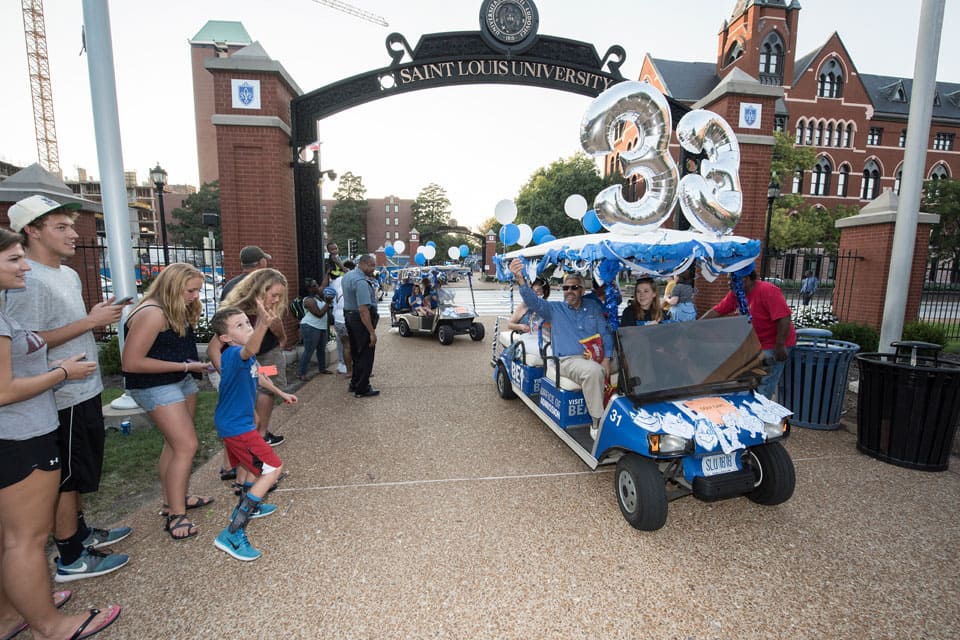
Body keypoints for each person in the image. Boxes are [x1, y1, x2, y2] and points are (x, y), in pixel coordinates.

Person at [0, 226, 122, 640]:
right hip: (21, 434)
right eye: (14, 259)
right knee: (25, 541)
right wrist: (62, 372)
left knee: (12, 538)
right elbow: (4, 390)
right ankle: (50, 626)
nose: (23, 267)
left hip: (20, 432)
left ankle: (12, 613)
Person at [121, 263, 214, 540]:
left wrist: (190, 368)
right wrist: (186, 367)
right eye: (191, 290)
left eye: (198, 289)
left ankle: (172, 499)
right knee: (187, 445)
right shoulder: (152, 313)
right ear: (172, 286)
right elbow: (131, 362)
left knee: (175, 446)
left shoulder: (172, 308)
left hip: (180, 380)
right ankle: (176, 514)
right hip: (156, 387)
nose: (196, 296)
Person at [209, 303, 296, 561]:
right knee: (273, 468)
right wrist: (263, 325)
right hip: (237, 427)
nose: (247, 327)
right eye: (240, 326)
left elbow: (259, 376)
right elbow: (251, 349)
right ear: (225, 338)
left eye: (248, 323)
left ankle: (251, 504)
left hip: (238, 424)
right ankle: (233, 533)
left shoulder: (244, 356)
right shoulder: (235, 354)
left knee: (254, 467)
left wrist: (281, 394)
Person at [509, 260, 612, 439]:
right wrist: (520, 278)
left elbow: (605, 333)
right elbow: (533, 302)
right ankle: (598, 422)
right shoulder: (554, 309)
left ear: (582, 290)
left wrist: (608, 358)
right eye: (565, 288)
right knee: (594, 371)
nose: (569, 291)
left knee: (629, 362)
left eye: (573, 288)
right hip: (569, 360)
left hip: (596, 355)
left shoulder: (593, 307)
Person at [216, 245, 286, 473]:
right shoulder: (242, 310)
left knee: (252, 408)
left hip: (252, 361)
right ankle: (261, 437)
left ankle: (235, 467)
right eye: (274, 295)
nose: (276, 300)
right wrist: (229, 374)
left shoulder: (230, 287)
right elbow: (215, 345)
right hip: (259, 355)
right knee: (256, 406)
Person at [701, 268, 797, 399]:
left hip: (774, 344)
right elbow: (718, 310)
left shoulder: (768, 291)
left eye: (731, 279)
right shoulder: (737, 294)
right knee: (745, 379)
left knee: (764, 381)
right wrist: (695, 325)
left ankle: (761, 410)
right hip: (755, 343)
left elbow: (784, 317)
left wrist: (780, 346)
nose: (728, 283)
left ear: (744, 280)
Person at [342, 254, 379, 398]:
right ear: (363, 264)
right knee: (366, 353)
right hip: (359, 320)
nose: (373, 269)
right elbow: (364, 310)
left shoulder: (348, 276)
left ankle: (355, 383)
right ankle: (362, 388)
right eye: (372, 266)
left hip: (349, 317)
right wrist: (372, 333)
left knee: (357, 353)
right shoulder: (361, 282)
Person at [297, 278, 332, 380]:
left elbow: (324, 285)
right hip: (310, 327)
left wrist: (327, 272)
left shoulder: (317, 296)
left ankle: (322, 368)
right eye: (315, 285)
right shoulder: (308, 300)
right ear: (309, 288)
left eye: (316, 284)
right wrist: (328, 303)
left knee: (321, 349)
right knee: (309, 350)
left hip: (320, 327)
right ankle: (301, 373)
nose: (317, 286)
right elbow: (319, 314)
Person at [505, 277, 550, 357]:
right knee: (548, 351)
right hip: (527, 337)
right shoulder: (524, 306)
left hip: (543, 338)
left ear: (544, 292)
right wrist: (521, 326)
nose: (535, 293)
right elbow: (510, 324)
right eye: (533, 291)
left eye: (538, 291)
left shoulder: (546, 306)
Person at [329, 260, 352, 375]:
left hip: (338, 317)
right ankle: (351, 368)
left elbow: (331, 298)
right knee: (351, 345)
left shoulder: (336, 282)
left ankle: (343, 366)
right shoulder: (354, 281)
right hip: (349, 318)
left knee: (342, 343)